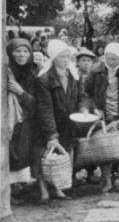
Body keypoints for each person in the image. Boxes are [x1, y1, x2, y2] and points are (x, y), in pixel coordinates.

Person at [35, 39, 88, 202]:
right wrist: (51, 134)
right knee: (45, 155)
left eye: (68, 57)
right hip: (51, 122)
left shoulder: (73, 75)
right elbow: (45, 108)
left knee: (66, 154)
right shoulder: (44, 79)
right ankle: (44, 189)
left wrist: (83, 108)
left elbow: (82, 96)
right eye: (62, 57)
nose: (66, 60)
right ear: (53, 58)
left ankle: (60, 188)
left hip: (69, 122)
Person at [84, 43, 119, 195]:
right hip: (104, 115)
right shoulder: (95, 71)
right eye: (108, 58)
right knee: (105, 149)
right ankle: (107, 181)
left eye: (115, 59)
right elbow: (86, 94)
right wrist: (95, 108)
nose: (111, 62)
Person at [7, 39, 37, 185]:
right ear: (10, 53)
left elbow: (35, 102)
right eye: (17, 51)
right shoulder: (6, 72)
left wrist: (20, 92)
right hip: (7, 119)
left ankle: (17, 186)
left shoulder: (32, 73)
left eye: (25, 51)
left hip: (25, 121)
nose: (21, 55)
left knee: (21, 153)